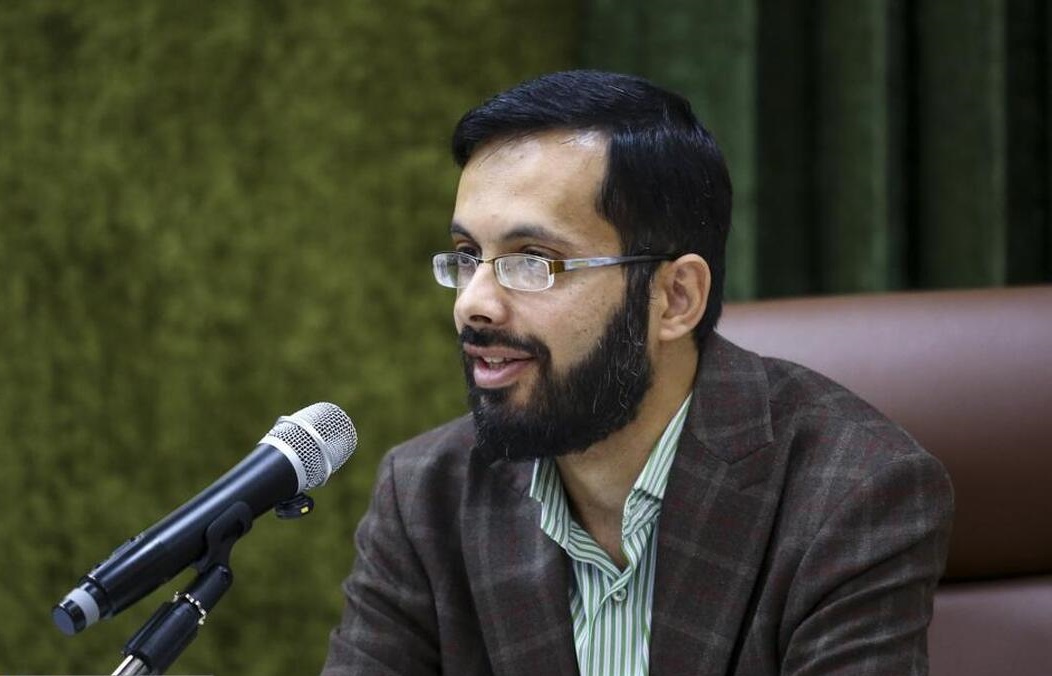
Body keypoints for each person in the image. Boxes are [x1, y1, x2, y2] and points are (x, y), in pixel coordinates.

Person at [322, 70, 953, 675]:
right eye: (468, 257)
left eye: (532, 261)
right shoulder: (424, 495)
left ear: (675, 297)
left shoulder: (852, 493)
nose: (472, 302)